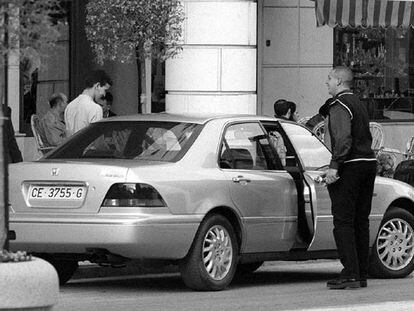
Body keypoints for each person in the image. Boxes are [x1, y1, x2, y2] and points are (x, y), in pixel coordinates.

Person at [323, 66, 377, 290]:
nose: (326, 83)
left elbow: (343, 138)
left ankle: (350, 272)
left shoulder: (340, 105)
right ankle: (361, 273)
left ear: (338, 81)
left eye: (329, 79)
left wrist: (334, 166)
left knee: (343, 220)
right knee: (360, 220)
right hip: (368, 163)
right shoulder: (359, 103)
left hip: (351, 165)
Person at [65, 70, 112, 136]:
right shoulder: (95, 108)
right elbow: (97, 140)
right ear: (97, 85)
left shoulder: (70, 106)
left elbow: (68, 136)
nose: (104, 94)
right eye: (105, 90)